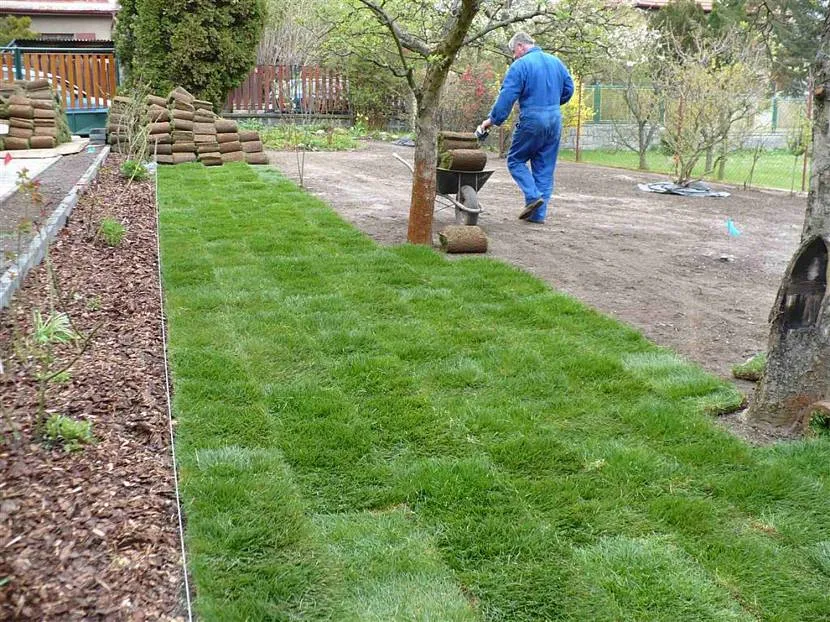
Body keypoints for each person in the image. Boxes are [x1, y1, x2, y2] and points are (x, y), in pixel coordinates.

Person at [479, 32, 574, 223]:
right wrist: (552, 104)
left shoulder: (520, 65)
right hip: (555, 119)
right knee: (544, 168)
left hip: (532, 118)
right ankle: (537, 215)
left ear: (521, 46)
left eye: (514, 51)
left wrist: (492, 121)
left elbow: (506, 98)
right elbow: (569, 90)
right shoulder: (556, 62)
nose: (514, 55)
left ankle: (532, 197)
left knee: (515, 160)